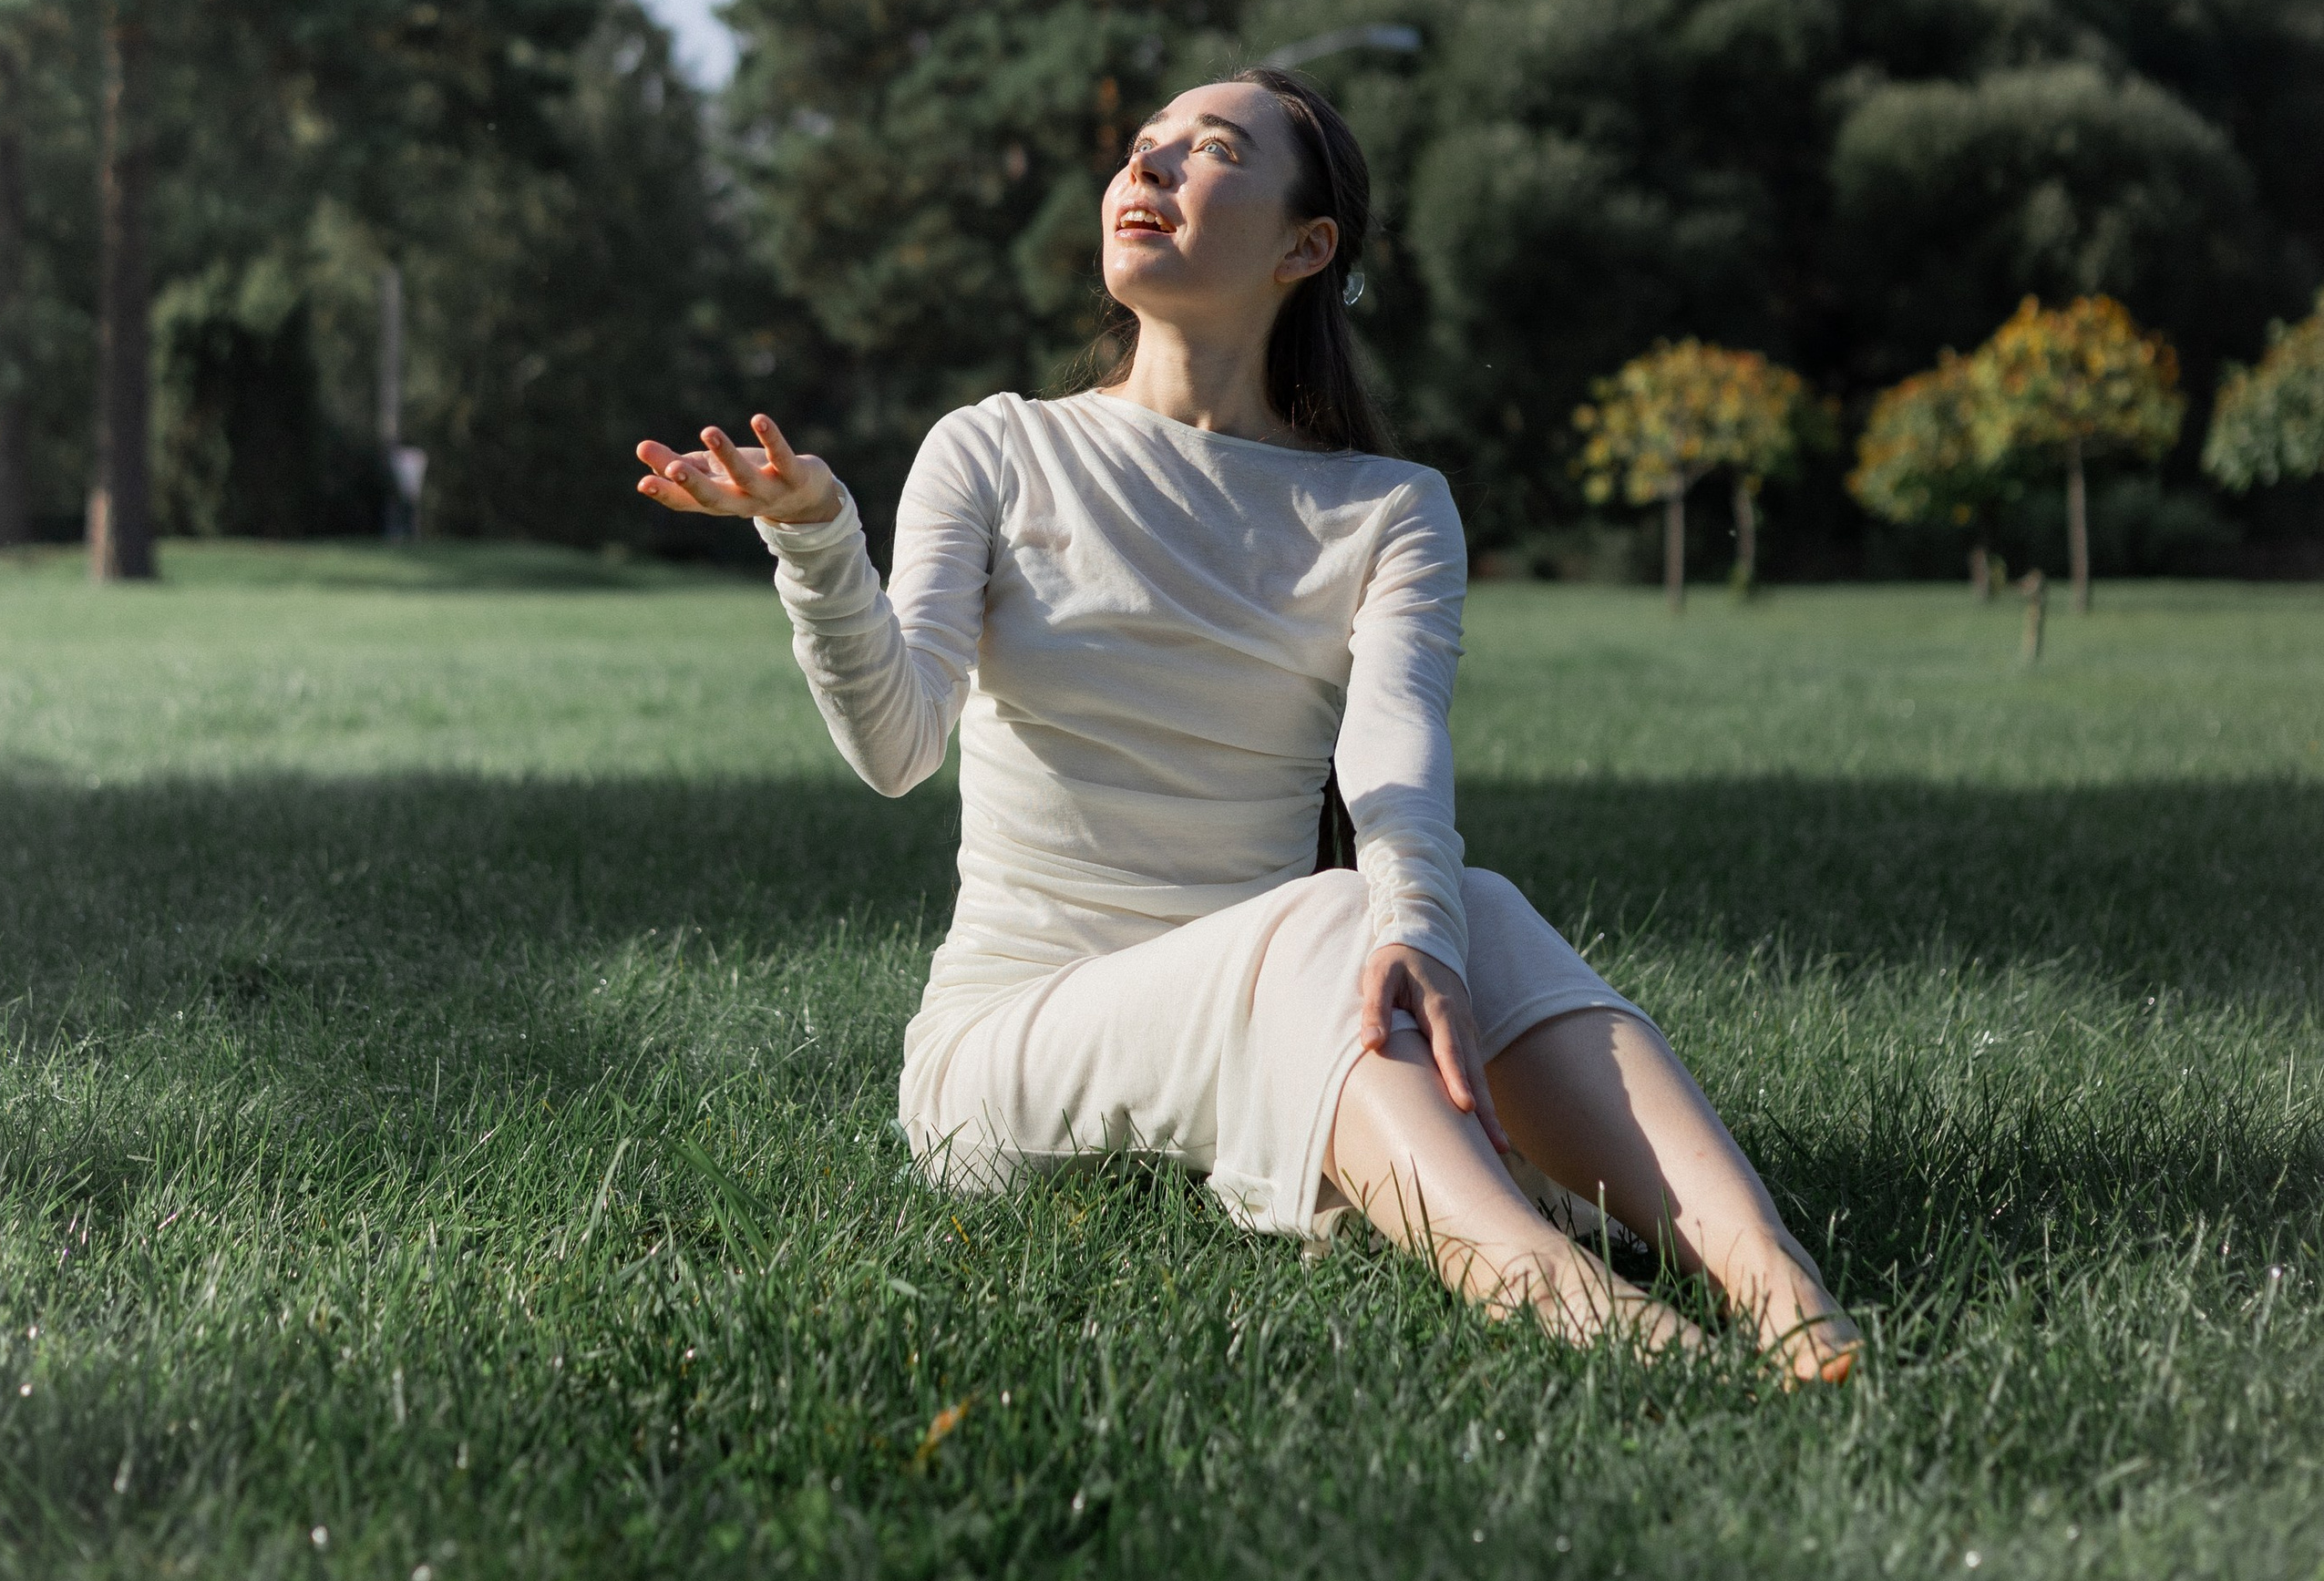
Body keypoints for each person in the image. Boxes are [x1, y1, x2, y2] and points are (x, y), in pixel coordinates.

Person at [637, 68, 1857, 1378]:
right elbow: (896, 749)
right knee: (1336, 916)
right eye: (1142, 146)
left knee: (1473, 907)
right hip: (1012, 1050)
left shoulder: (1388, 506)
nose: (1148, 169)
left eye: (1210, 149)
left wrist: (1421, 927)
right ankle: (1554, 1293)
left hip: (1289, 993)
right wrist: (818, 539)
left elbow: (1393, 744)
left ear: (1305, 247)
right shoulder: (995, 449)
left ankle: (1776, 1283)